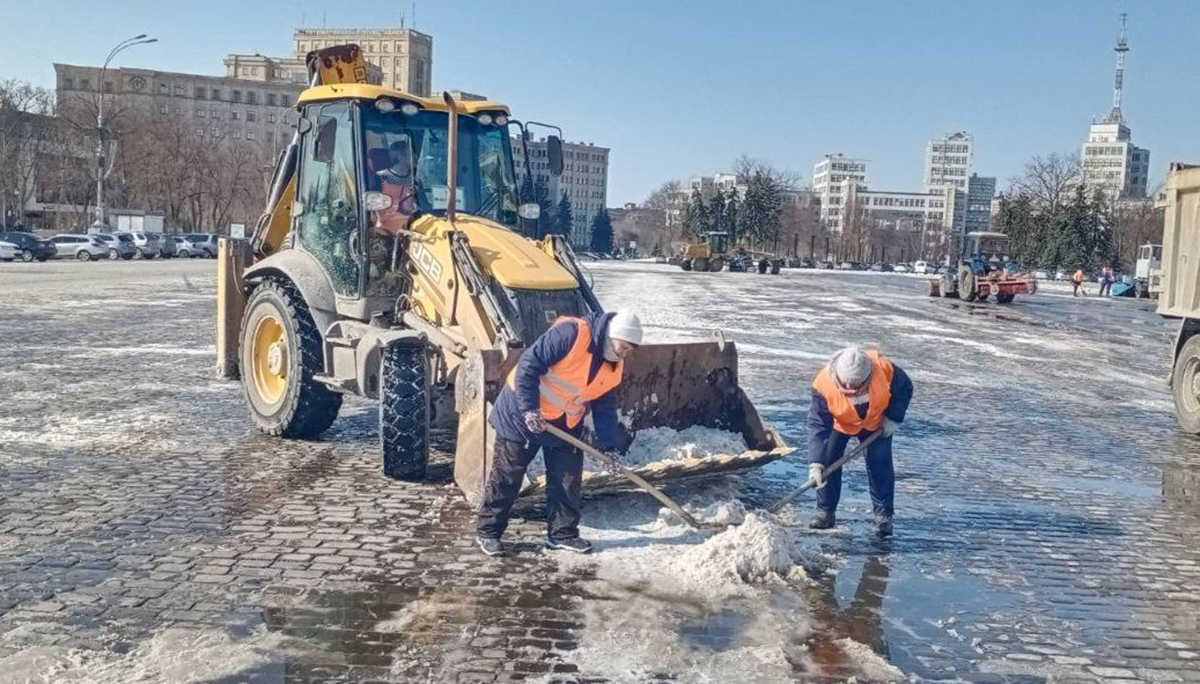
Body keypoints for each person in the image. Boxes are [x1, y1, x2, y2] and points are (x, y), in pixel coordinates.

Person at [475, 311, 644, 557]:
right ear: (612, 336)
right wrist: (529, 410)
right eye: (624, 347)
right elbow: (528, 365)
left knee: (567, 479)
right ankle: (488, 532)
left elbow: (605, 408)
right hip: (521, 415)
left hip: (564, 424)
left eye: (629, 350)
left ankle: (562, 534)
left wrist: (609, 448)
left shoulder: (613, 367)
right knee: (507, 476)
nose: (625, 354)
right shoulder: (571, 334)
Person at [807, 346, 913, 538]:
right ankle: (825, 511)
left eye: (856, 386)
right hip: (840, 424)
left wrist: (894, 418)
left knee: (880, 464)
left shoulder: (884, 368)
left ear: (868, 377)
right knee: (828, 462)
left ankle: (884, 516)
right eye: (846, 385)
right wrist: (816, 462)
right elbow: (818, 425)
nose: (850, 390)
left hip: (877, 423)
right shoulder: (823, 384)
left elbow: (905, 388)